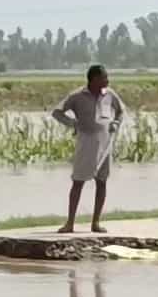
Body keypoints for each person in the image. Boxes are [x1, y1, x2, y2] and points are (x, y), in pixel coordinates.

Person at [51, 65, 125, 234]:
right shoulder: (78, 96)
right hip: (86, 143)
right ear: (94, 79)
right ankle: (70, 223)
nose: (107, 80)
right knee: (78, 182)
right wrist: (73, 124)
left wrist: (116, 122)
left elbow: (121, 111)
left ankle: (96, 223)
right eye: (104, 77)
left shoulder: (110, 94)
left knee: (102, 182)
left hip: (105, 144)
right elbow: (57, 112)